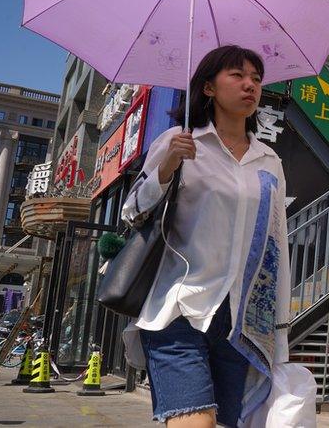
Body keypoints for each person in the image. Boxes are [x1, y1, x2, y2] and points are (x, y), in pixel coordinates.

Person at [119, 45, 290, 428]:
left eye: (257, 79)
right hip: (179, 306)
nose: (250, 85)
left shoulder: (269, 162)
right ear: (208, 88)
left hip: (240, 322)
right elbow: (131, 212)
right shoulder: (178, 143)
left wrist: (280, 328)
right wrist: (167, 167)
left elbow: (276, 247)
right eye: (238, 75)